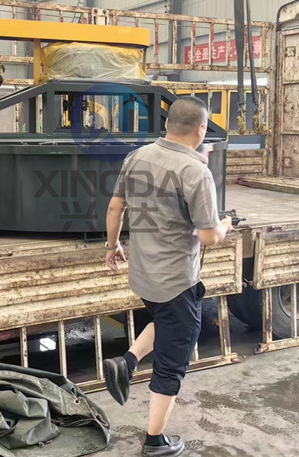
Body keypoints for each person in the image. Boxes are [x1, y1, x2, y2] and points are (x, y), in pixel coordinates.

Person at [102, 97, 233, 457]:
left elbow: (115, 207)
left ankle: (127, 362)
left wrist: (112, 245)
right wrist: (225, 225)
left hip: (143, 273)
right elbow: (208, 236)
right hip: (175, 279)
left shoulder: (137, 157)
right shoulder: (196, 173)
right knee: (173, 361)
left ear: (167, 124)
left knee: (166, 321)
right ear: (201, 130)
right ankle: (154, 441)